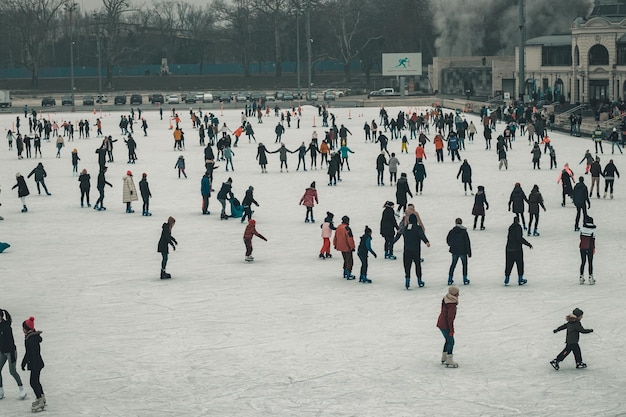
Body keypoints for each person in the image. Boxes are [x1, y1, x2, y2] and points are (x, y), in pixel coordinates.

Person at [0, 309, 27, 400]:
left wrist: (12, 355)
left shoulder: (6, 327)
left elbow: (11, 342)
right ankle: (1, 390)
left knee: (12, 371)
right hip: (2, 352)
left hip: (11, 352)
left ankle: (21, 388)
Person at [20, 317, 45, 412]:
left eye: (23, 328)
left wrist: (32, 364)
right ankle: (41, 398)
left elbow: (33, 353)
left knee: (33, 382)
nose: (22, 330)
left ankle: (40, 399)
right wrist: (24, 362)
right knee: (36, 381)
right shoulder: (31, 337)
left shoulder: (31, 339)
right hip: (36, 363)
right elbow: (28, 353)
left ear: (26, 329)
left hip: (36, 364)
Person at [402, 213, 430, 289]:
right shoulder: (418, 228)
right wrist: (426, 241)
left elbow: (404, 235)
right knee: (417, 265)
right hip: (415, 249)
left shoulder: (406, 227)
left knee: (407, 265)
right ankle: (419, 281)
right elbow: (421, 235)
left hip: (407, 249)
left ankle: (407, 281)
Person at [504, 216, 533, 285]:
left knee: (509, 264)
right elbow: (519, 238)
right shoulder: (518, 228)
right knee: (519, 264)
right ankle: (520, 279)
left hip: (508, 248)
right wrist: (528, 244)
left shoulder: (510, 227)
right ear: (518, 221)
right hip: (517, 249)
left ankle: (506, 279)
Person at [436, 285, 460, 368]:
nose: (458, 295)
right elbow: (450, 318)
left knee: (448, 340)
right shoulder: (452, 304)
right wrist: (451, 330)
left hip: (441, 322)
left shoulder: (446, 298)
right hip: (445, 324)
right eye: (457, 293)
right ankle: (449, 359)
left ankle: (444, 357)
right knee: (451, 341)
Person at [446, 218, 472, 285]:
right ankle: (465, 279)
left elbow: (448, 239)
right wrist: (469, 252)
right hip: (463, 251)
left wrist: (451, 245)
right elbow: (467, 242)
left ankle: (450, 279)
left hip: (454, 251)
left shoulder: (452, 231)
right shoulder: (464, 232)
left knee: (453, 265)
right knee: (464, 265)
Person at [333, 215, 356, 280]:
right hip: (347, 247)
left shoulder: (339, 227)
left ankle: (345, 272)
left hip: (340, 246)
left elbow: (335, 236)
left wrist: (335, 244)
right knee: (349, 260)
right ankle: (348, 274)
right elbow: (350, 238)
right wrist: (352, 247)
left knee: (345, 259)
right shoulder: (347, 228)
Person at [579, 216, 596, 285]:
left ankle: (581, 277)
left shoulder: (582, 229)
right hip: (590, 248)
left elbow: (581, 238)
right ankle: (590, 277)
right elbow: (593, 240)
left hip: (582, 247)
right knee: (590, 262)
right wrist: (594, 248)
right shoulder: (593, 230)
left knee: (583, 262)